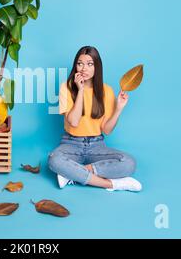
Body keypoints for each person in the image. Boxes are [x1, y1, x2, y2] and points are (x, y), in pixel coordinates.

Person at [48, 46, 142, 192]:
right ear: (75, 66)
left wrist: (119, 108)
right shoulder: (66, 87)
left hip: (97, 146)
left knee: (129, 163)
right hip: (71, 144)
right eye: (80, 63)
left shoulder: (107, 91)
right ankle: (111, 184)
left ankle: (73, 173)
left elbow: (107, 130)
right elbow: (74, 121)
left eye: (90, 64)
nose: (84, 68)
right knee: (54, 160)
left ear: (97, 67)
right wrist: (80, 91)